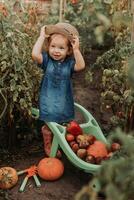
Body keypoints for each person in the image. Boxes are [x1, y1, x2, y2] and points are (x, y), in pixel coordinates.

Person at [32, 22, 85, 157]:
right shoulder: (47, 61)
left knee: (63, 124)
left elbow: (81, 66)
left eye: (61, 48)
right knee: (50, 125)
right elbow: (34, 54)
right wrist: (41, 37)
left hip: (63, 100)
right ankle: (49, 145)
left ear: (68, 51)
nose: (56, 50)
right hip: (48, 100)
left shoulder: (69, 64)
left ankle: (61, 144)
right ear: (48, 47)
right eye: (53, 46)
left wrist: (77, 49)